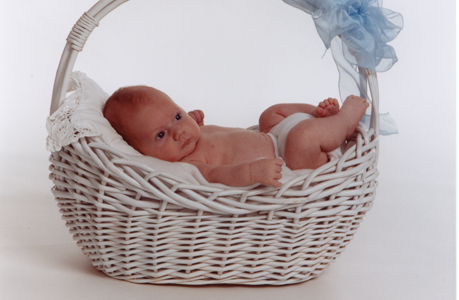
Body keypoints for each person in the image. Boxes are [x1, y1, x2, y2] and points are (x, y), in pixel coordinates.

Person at [103, 86, 369, 187]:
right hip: (291, 161)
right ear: (141, 152)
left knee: (270, 114)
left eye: (177, 116)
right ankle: (344, 121)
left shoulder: (188, 136)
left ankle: (319, 114)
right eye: (161, 134)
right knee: (302, 137)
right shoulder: (188, 166)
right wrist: (252, 171)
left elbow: (220, 140)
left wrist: (199, 124)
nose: (180, 131)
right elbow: (220, 175)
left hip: (273, 138)